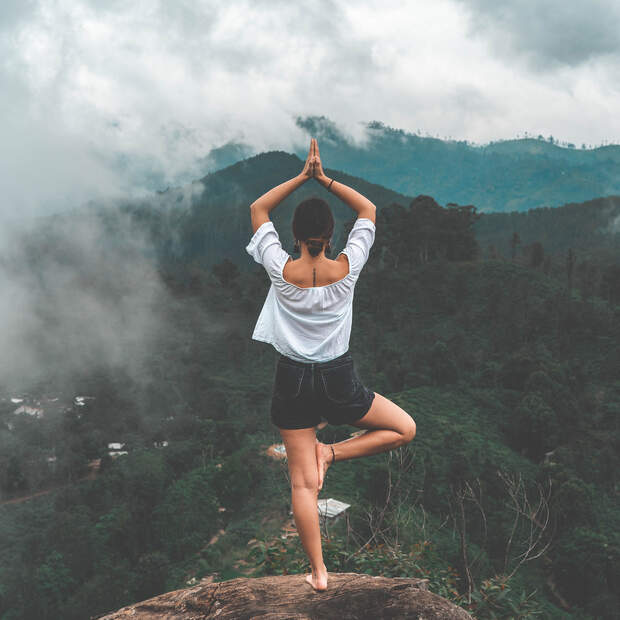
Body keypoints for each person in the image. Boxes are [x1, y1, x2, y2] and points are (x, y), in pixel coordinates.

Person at [245, 138, 416, 591]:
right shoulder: (348, 266)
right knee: (404, 429)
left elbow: (258, 210)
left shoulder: (279, 268)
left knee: (303, 487)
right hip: (339, 379)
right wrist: (326, 179)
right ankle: (334, 453)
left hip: (292, 381)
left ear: (296, 236)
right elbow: (370, 211)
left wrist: (301, 177)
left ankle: (319, 574)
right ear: (330, 235)